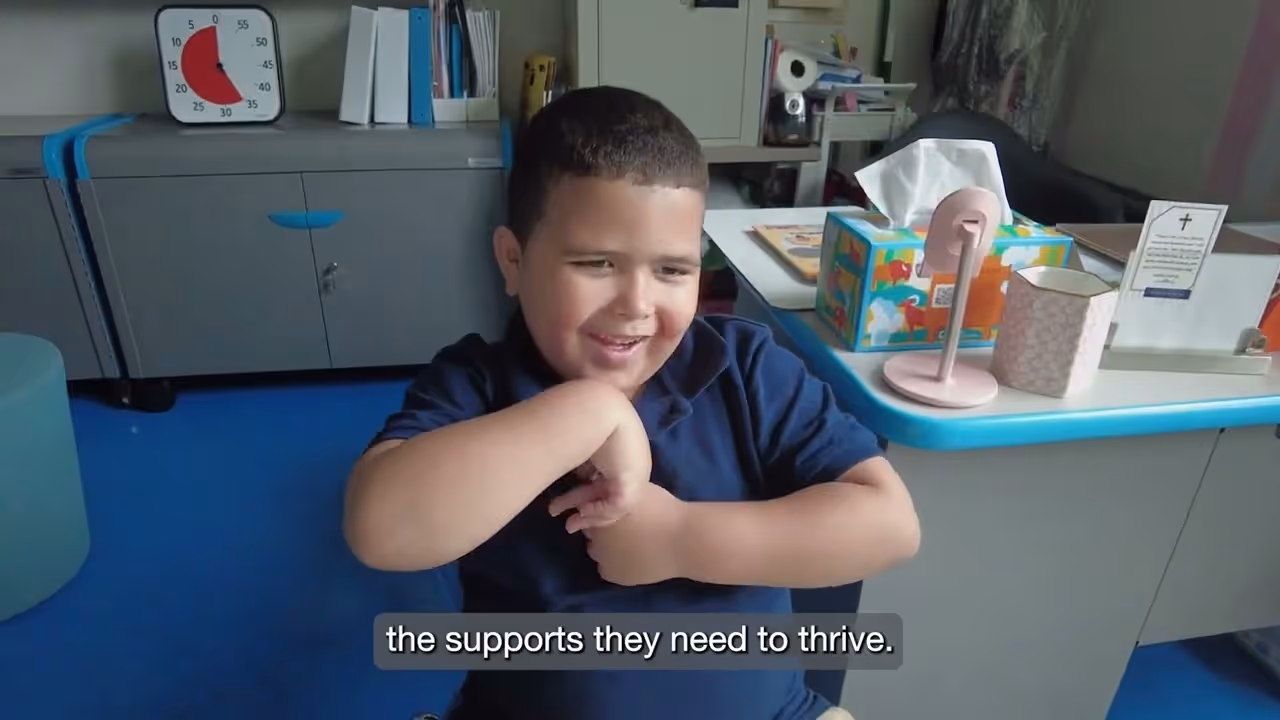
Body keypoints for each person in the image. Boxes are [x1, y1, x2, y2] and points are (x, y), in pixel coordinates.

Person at [343, 86, 921, 720]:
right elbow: (382, 530)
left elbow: (889, 525)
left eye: (673, 271)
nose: (637, 304)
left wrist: (680, 538)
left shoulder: (744, 369)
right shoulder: (479, 385)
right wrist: (588, 411)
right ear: (513, 260)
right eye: (596, 263)